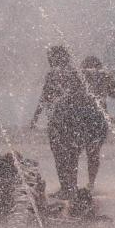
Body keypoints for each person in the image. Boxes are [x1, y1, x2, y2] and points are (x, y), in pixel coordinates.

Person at [30, 45, 87, 199]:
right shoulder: (72, 74)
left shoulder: (67, 74)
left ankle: (67, 187)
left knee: (62, 155)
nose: (50, 60)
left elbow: (46, 96)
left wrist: (36, 116)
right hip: (70, 121)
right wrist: (36, 116)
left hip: (64, 121)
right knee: (69, 155)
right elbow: (46, 95)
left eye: (52, 57)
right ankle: (69, 188)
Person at [79, 56, 115, 190]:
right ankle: (91, 183)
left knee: (74, 151)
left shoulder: (81, 75)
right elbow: (114, 94)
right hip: (99, 117)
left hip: (82, 117)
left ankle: (71, 184)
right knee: (94, 153)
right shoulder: (105, 76)